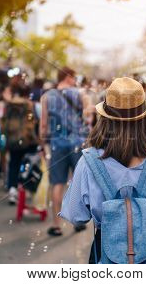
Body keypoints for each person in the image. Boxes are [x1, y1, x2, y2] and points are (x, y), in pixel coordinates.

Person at [59, 77, 146, 263]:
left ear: (105, 118)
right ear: (145, 118)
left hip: (104, 255)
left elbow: (75, 215)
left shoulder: (88, 162)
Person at [40, 67, 92, 236]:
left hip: (57, 144)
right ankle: (78, 221)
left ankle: (56, 225)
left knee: (57, 184)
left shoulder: (47, 97)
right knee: (78, 184)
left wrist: (43, 144)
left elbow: (43, 126)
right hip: (78, 142)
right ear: (68, 77)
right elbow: (89, 117)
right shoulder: (81, 95)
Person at [2, 83, 39, 205]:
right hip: (26, 139)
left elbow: (4, 121)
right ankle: (24, 188)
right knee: (27, 163)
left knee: (13, 163)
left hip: (12, 138)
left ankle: (12, 190)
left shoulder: (9, 104)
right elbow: (33, 122)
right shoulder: (29, 105)